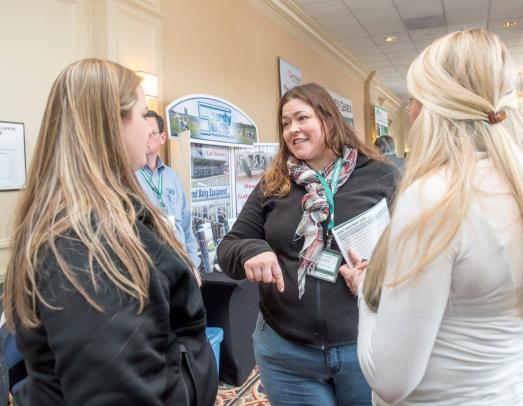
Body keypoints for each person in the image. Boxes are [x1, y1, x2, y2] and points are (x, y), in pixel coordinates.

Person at [344, 29, 523, 405]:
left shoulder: (435, 198)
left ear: (432, 107)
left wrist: (364, 292)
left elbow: (389, 379)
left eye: (415, 99)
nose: (410, 111)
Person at [2, 59, 218, 405]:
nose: (150, 131)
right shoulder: (89, 247)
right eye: (143, 115)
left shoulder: (91, 223)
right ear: (112, 122)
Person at [217, 83, 399, 405]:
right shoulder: (274, 183)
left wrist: (381, 270)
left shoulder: (380, 175)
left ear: (329, 119)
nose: (293, 130)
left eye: (302, 118)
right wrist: (252, 249)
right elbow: (230, 246)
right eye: (286, 123)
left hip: (363, 345)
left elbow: (414, 249)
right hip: (287, 354)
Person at [136, 110, 201, 270]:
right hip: (151, 267)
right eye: (142, 133)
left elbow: (186, 225)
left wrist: (193, 265)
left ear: (162, 137)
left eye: (151, 134)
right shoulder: (130, 175)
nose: (145, 139)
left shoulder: (172, 177)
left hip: (180, 264)